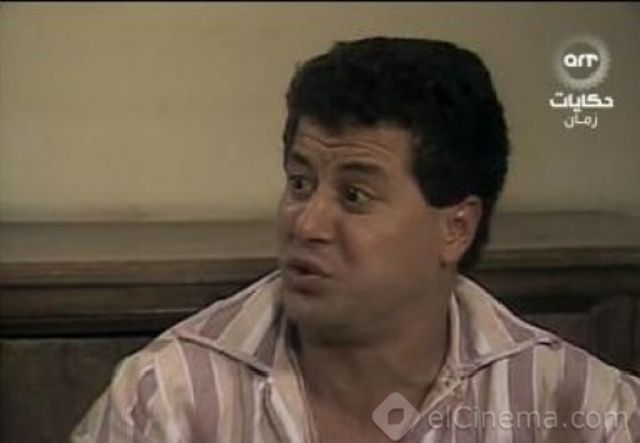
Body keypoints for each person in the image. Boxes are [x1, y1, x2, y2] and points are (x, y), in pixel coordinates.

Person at [72, 36, 639, 442]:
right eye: (300, 183)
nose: (307, 224)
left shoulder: (580, 409)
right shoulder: (167, 400)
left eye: (354, 196)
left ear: (455, 228)